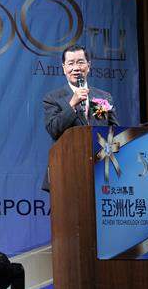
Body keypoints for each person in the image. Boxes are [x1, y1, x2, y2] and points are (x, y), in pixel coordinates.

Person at [42, 44, 119, 191]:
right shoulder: (52, 98)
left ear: (88, 66)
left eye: (80, 62)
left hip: (99, 169)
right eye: (71, 63)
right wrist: (72, 104)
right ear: (64, 68)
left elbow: (114, 131)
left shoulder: (103, 97)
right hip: (66, 169)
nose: (76, 68)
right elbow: (53, 129)